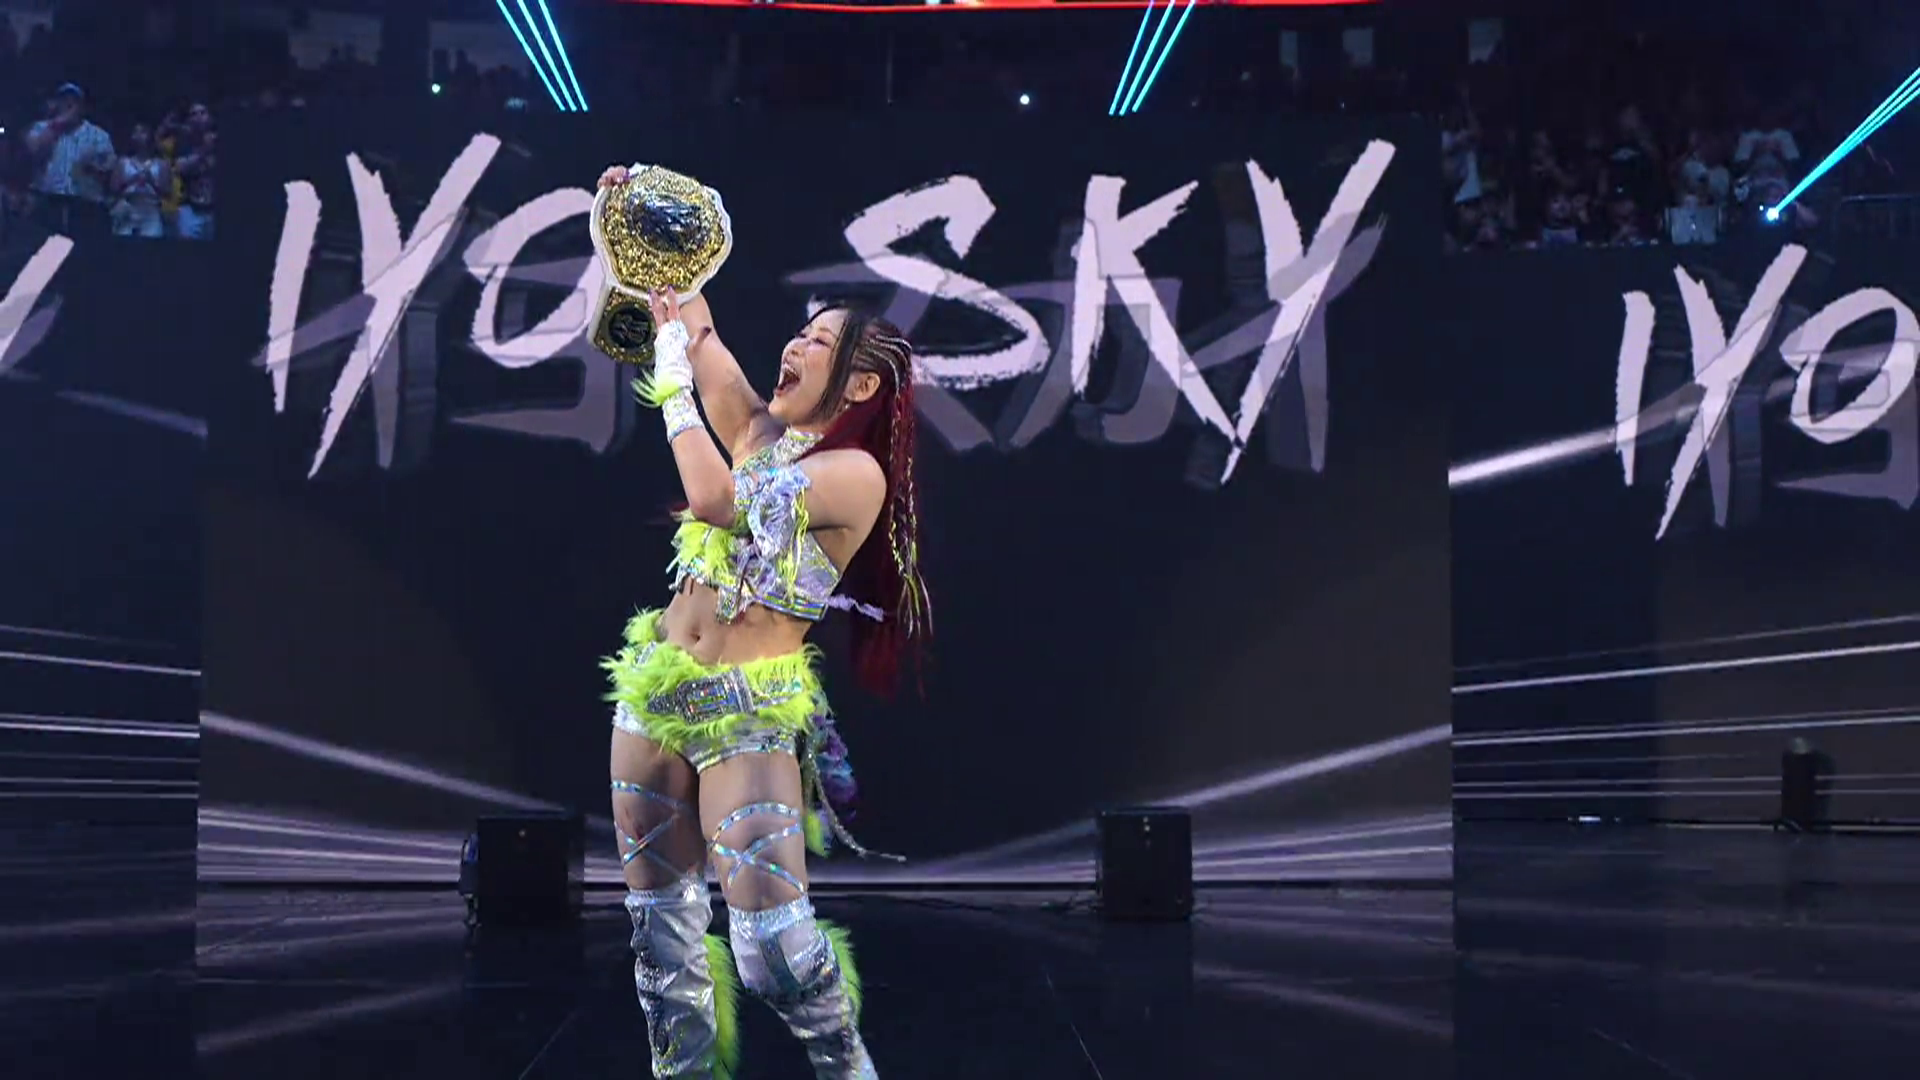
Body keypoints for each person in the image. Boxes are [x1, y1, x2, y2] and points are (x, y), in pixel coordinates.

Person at [595, 164, 930, 1080]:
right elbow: (694, 324)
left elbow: (712, 499)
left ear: (859, 386)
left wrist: (670, 387)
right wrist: (632, 215)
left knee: (772, 952)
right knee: (661, 940)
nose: (796, 343)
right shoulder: (757, 432)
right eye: (800, 330)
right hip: (654, 697)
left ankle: (847, 1068)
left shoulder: (853, 478)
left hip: (747, 713)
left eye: (819, 341)